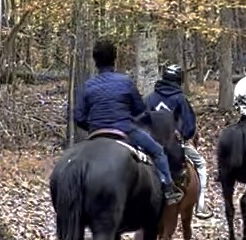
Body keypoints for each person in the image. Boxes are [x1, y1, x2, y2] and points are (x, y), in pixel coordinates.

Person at [74, 39, 182, 203]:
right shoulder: (125, 82)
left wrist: (94, 127)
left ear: (95, 61)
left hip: (95, 133)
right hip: (125, 130)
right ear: (114, 59)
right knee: (158, 151)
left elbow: (78, 117)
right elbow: (140, 110)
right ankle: (168, 188)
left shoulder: (87, 85)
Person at [146, 64, 212, 219]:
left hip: (151, 145)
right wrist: (181, 136)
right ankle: (200, 206)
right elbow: (189, 128)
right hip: (174, 147)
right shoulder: (180, 100)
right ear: (179, 80)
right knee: (201, 165)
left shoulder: (149, 99)